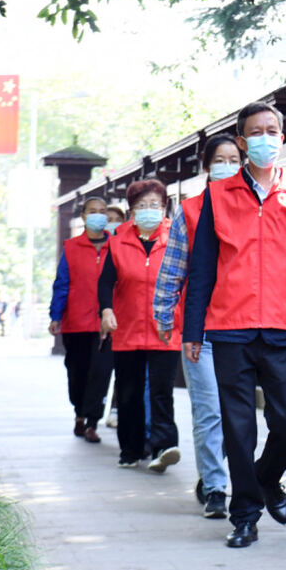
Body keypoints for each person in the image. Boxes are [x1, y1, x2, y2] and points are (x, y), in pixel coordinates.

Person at [184, 102, 286, 549]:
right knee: (238, 428)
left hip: (284, 325)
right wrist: (193, 330)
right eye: (256, 131)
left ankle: (267, 478)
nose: (265, 138)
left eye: (272, 130)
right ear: (243, 141)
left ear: (282, 138)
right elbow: (202, 267)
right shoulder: (217, 196)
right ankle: (245, 515)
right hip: (230, 326)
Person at [153, 133, 243, 519]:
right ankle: (216, 487)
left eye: (234, 159)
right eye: (219, 160)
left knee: (235, 413)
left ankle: (214, 475)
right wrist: (163, 315)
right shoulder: (190, 211)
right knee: (209, 410)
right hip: (200, 331)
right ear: (206, 167)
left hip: (242, 328)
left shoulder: (253, 208)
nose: (227, 166)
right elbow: (172, 269)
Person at [98, 178, 183, 471]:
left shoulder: (176, 238)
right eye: (142, 205)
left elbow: (187, 280)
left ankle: (164, 446)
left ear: (164, 207)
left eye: (155, 205)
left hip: (165, 327)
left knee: (161, 391)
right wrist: (106, 310)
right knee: (129, 392)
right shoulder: (118, 241)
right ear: (132, 211)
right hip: (128, 327)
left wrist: (178, 317)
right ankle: (131, 449)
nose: (149, 210)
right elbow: (106, 282)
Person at [48, 197, 112, 443]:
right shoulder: (72, 247)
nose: (98, 215)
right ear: (84, 217)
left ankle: (92, 422)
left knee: (101, 372)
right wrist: (56, 315)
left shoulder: (116, 245)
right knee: (77, 372)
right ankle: (79, 414)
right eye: (93, 211)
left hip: (107, 323)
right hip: (76, 321)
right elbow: (62, 283)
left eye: (102, 211)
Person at [102, 204, 126, 430]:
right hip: (102, 318)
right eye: (107, 219)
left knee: (122, 369)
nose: (112, 223)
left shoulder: (123, 245)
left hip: (123, 320)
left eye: (116, 219)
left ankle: (116, 409)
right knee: (101, 369)